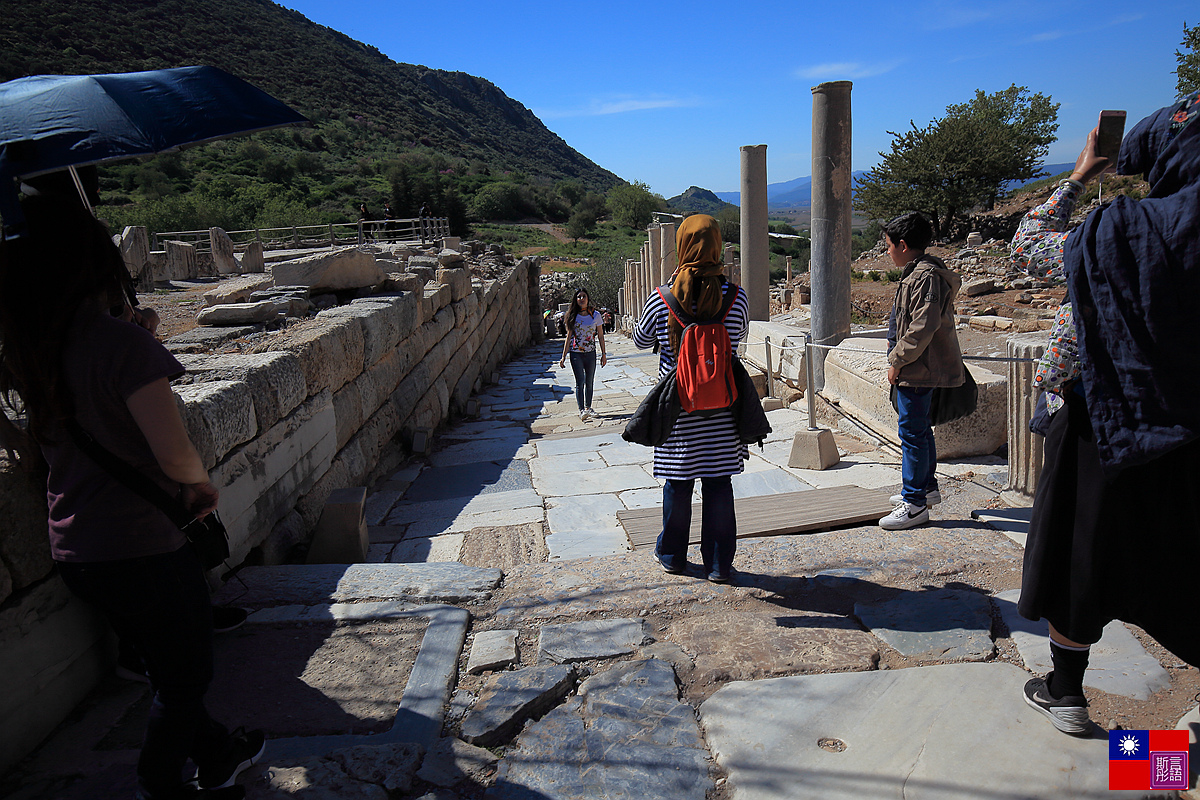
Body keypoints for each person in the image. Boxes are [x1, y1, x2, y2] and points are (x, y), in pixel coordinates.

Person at [0, 194, 264, 800]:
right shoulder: (120, 346)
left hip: (75, 547)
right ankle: (159, 786)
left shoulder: (29, 347)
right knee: (184, 680)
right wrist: (198, 487)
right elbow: (172, 453)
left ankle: (219, 748)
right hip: (144, 546)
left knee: (157, 665)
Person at [1010, 94, 1200, 736]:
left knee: (1079, 552)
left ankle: (1070, 696)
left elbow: (1029, 247)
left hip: (1104, 425)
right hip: (1192, 435)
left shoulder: (1123, 233)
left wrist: (1080, 175)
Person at [633, 214, 748, 583]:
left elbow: (640, 340)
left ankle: (672, 555)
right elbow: (740, 333)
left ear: (681, 247)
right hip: (722, 409)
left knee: (678, 484)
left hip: (678, 411)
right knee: (718, 484)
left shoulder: (661, 299)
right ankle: (718, 564)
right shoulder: (736, 297)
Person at [879, 212, 964, 531]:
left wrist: (897, 360)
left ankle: (914, 503)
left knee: (911, 433)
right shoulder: (917, 272)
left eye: (889, 245)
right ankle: (925, 488)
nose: (887, 251)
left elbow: (922, 326)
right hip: (919, 365)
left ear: (903, 245)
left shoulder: (925, 276)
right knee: (919, 429)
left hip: (919, 367)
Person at [558, 287, 606, 420]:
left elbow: (601, 336)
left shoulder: (595, 315)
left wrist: (604, 354)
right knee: (580, 381)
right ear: (576, 300)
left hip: (590, 352)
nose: (581, 299)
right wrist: (563, 356)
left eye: (583, 296)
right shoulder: (572, 316)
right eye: (579, 297)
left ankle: (588, 407)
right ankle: (581, 410)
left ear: (587, 298)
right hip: (576, 353)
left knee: (589, 381)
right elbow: (568, 337)